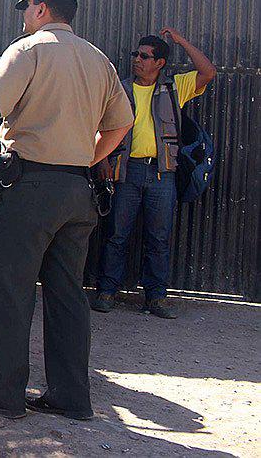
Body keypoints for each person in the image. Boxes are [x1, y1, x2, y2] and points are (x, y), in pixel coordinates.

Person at [0, 0, 135, 421]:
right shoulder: (98, 59)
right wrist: (86, 158)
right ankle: (71, 396)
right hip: (78, 191)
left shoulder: (29, 49)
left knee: (13, 289)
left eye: (26, 7)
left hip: (30, 188)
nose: (23, 15)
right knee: (67, 294)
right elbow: (122, 123)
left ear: (40, 9)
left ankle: (7, 392)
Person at [92, 29, 216, 319]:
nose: (137, 59)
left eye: (144, 56)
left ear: (160, 63)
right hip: (126, 171)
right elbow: (99, 127)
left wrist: (182, 42)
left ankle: (156, 298)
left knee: (158, 237)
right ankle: (107, 291)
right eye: (136, 54)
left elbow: (208, 72)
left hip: (162, 173)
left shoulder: (175, 88)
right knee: (116, 235)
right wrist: (102, 162)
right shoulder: (119, 88)